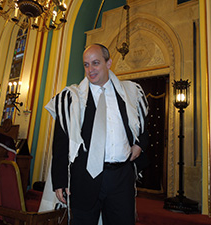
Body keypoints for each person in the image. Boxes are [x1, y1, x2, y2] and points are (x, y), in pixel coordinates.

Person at [45, 44, 149, 225]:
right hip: (84, 177)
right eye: (86, 65)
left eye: (95, 63)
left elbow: (143, 125)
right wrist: (60, 180)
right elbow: (60, 141)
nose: (90, 70)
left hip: (121, 177)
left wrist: (139, 145)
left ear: (108, 63)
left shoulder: (129, 93)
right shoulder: (71, 99)